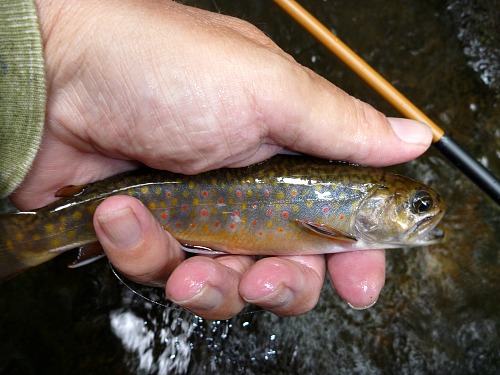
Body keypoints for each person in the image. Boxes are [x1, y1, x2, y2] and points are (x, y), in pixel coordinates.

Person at [1, 0, 432, 320]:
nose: (424, 214)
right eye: (418, 206)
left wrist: (55, 44)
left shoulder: (342, 222)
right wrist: (56, 44)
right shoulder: (337, 224)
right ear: (374, 198)